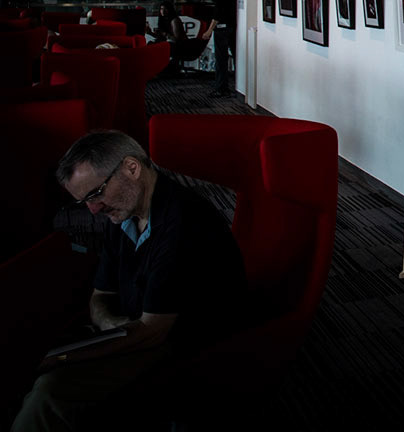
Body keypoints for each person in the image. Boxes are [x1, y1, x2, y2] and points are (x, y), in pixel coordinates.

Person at [11, 131, 246, 431]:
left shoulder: (183, 223)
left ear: (132, 168)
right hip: (137, 326)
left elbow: (152, 333)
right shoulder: (123, 214)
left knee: (49, 391)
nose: (93, 209)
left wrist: (69, 356)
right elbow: (100, 295)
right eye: (84, 201)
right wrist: (111, 325)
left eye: (95, 194)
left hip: (187, 343)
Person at [210, 0, 235, 97]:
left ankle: (221, 88)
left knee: (221, 59)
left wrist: (209, 30)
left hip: (221, 27)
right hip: (234, 25)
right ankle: (239, 85)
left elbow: (218, 10)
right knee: (237, 56)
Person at [148, 1, 190, 75]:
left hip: (179, 46)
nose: (163, 11)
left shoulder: (174, 20)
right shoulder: (163, 20)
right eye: (161, 9)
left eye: (165, 9)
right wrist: (150, 33)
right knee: (150, 45)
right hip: (169, 44)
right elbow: (161, 37)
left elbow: (176, 39)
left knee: (159, 46)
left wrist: (164, 34)